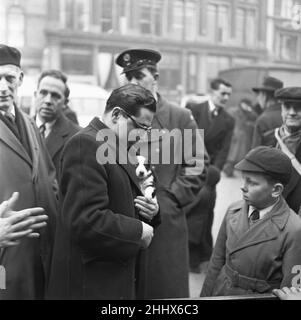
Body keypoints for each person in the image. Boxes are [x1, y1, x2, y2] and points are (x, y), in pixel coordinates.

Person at [47, 84, 160, 300]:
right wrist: (137, 231)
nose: (143, 137)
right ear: (117, 115)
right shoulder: (85, 144)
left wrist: (151, 209)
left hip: (110, 276)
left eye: (148, 130)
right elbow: (85, 219)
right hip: (90, 283)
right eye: (140, 127)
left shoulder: (117, 145)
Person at [116, 49, 208, 299]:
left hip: (166, 226)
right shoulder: (119, 117)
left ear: (154, 78)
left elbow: (198, 165)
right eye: (128, 77)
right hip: (125, 223)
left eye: (138, 76)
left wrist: (170, 200)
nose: (132, 83)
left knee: (163, 294)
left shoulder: (179, 117)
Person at [201, 146, 301, 297]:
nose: (243, 187)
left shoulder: (293, 229)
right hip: (221, 292)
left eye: (252, 183)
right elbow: (216, 263)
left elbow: (289, 290)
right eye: (243, 180)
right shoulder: (233, 211)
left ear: (276, 190)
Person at [0, 44, 58, 299]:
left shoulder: (29, 123)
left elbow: (49, 177)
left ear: (21, 79)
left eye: (9, 78)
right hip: (6, 254)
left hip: (39, 254)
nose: (3, 87)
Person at [186, 78, 235, 271]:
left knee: (206, 212)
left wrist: (213, 172)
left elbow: (224, 151)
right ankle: (189, 255)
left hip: (210, 175)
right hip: (189, 169)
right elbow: (184, 139)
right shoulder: (193, 109)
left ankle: (199, 256)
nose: (226, 98)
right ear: (211, 91)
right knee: (190, 211)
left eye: (228, 95)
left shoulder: (229, 120)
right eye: (223, 93)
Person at [34, 70, 81, 175]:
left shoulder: (78, 138)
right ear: (35, 95)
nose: (48, 100)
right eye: (43, 93)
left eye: (55, 96)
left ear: (65, 103)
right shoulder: (19, 128)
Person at [273, 87, 301, 215]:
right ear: (281, 110)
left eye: (298, 108)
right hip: (270, 215)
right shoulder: (268, 138)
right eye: (287, 107)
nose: (292, 112)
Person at [224, 98, 257, 177]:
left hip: (244, 137)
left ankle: (232, 169)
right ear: (241, 103)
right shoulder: (233, 111)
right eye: (245, 104)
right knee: (232, 155)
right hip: (234, 136)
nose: (246, 107)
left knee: (239, 155)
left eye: (248, 105)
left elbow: (255, 121)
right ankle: (228, 169)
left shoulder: (250, 113)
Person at [252, 76, 283, 148]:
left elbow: (255, 152)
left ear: (264, 95)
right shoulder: (288, 115)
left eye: (259, 94)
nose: (258, 98)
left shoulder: (263, 119)